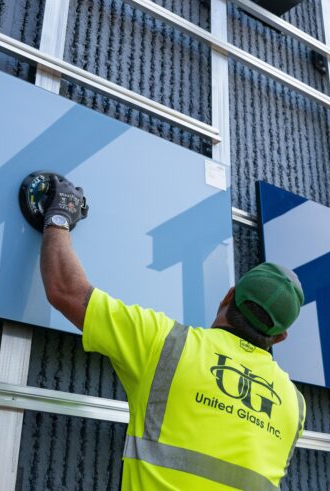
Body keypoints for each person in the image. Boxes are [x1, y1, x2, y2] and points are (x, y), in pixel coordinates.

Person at [37, 174, 307, 490]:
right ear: (279, 337)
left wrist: (59, 216)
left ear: (228, 297)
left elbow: (65, 291)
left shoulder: (169, 346)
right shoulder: (294, 406)